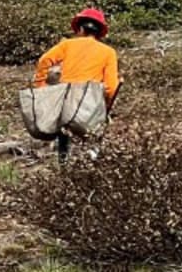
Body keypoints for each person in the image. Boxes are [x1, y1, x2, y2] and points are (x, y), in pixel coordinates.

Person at [34, 8, 121, 159]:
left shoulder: (67, 45)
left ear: (80, 29)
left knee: (64, 138)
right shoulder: (108, 52)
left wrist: (40, 86)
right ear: (99, 32)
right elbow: (111, 87)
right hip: (91, 104)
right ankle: (90, 165)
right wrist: (106, 106)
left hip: (66, 101)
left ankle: (63, 164)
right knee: (93, 141)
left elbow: (44, 61)